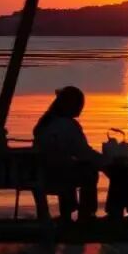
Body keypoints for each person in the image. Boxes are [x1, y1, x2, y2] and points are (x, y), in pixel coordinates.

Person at [33, 86, 108, 223]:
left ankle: (66, 215)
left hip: (40, 173)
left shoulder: (44, 123)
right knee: (89, 172)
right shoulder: (68, 126)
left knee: (70, 166)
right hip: (56, 175)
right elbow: (84, 153)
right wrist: (106, 162)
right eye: (80, 105)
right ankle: (86, 215)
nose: (81, 109)